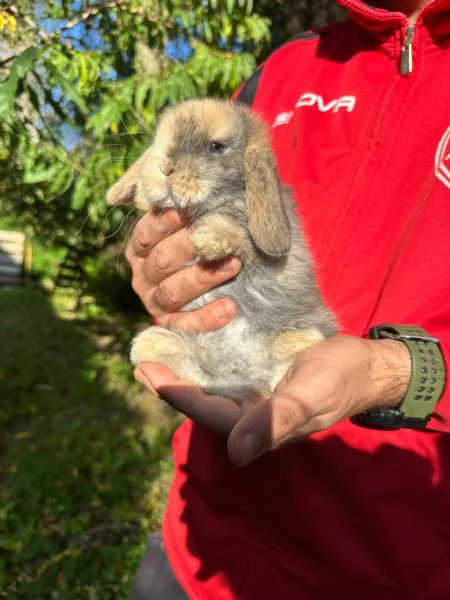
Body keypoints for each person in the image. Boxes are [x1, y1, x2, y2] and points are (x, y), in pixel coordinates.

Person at [128, 0, 450, 598]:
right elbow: (187, 230)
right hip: (201, 539)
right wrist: (159, 271)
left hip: (390, 573)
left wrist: (398, 373)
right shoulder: (287, 65)